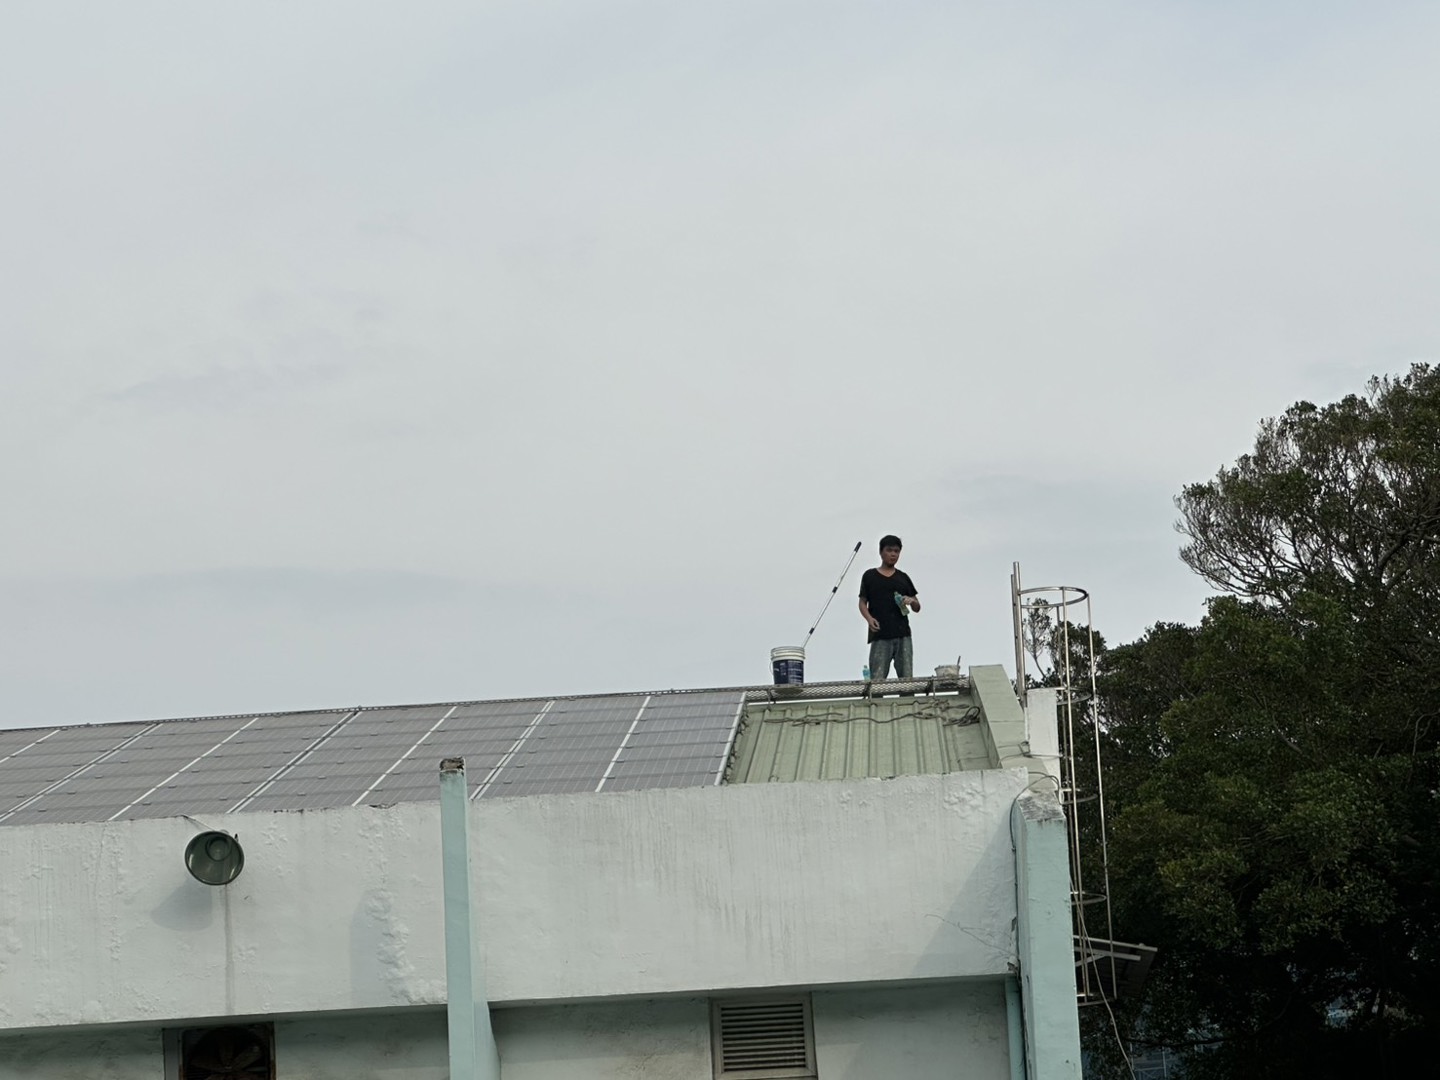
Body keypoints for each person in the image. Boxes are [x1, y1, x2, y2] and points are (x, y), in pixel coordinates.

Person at [858, 534, 920, 679]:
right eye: (889, 550)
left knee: (907, 679)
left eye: (896, 551)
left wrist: (911, 601)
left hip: (903, 634)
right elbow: (862, 602)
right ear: (881, 552)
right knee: (877, 680)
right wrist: (869, 619)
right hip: (880, 634)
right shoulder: (870, 576)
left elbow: (917, 606)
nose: (893, 554)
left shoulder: (903, 578)